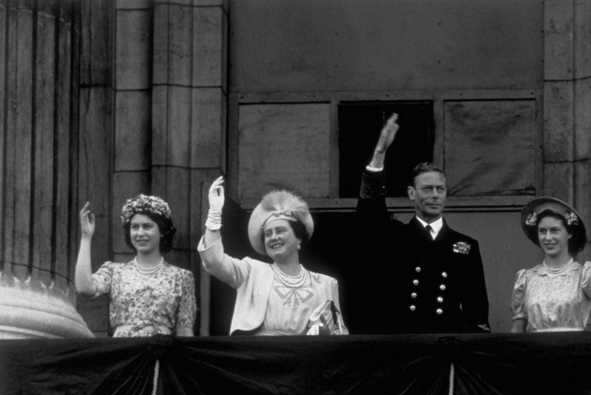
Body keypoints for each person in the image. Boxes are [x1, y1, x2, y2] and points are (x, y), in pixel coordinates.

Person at [355, 113, 490, 333]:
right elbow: (370, 215)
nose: (435, 195)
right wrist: (379, 154)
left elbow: (477, 309)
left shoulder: (465, 245)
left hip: (446, 344)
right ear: (411, 193)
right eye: (427, 189)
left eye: (440, 189)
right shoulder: (395, 237)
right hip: (404, 345)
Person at [198, 176, 347, 336]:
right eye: (268, 234)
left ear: (298, 239)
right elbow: (213, 261)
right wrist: (214, 215)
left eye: (280, 231)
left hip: (306, 358)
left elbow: (340, 336)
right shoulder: (251, 271)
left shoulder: (326, 284)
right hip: (260, 356)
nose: (273, 237)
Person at [74, 195, 196, 337]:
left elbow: (185, 331)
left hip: (160, 354)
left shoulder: (181, 277)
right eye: (134, 227)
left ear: (162, 231)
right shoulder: (114, 271)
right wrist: (86, 236)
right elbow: (84, 288)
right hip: (124, 354)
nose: (140, 233)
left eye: (147, 226)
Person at [511, 197, 591, 332]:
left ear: (569, 233)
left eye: (554, 230)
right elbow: (517, 331)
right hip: (536, 350)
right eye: (542, 231)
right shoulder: (526, 278)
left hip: (573, 349)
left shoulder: (583, 274)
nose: (548, 238)